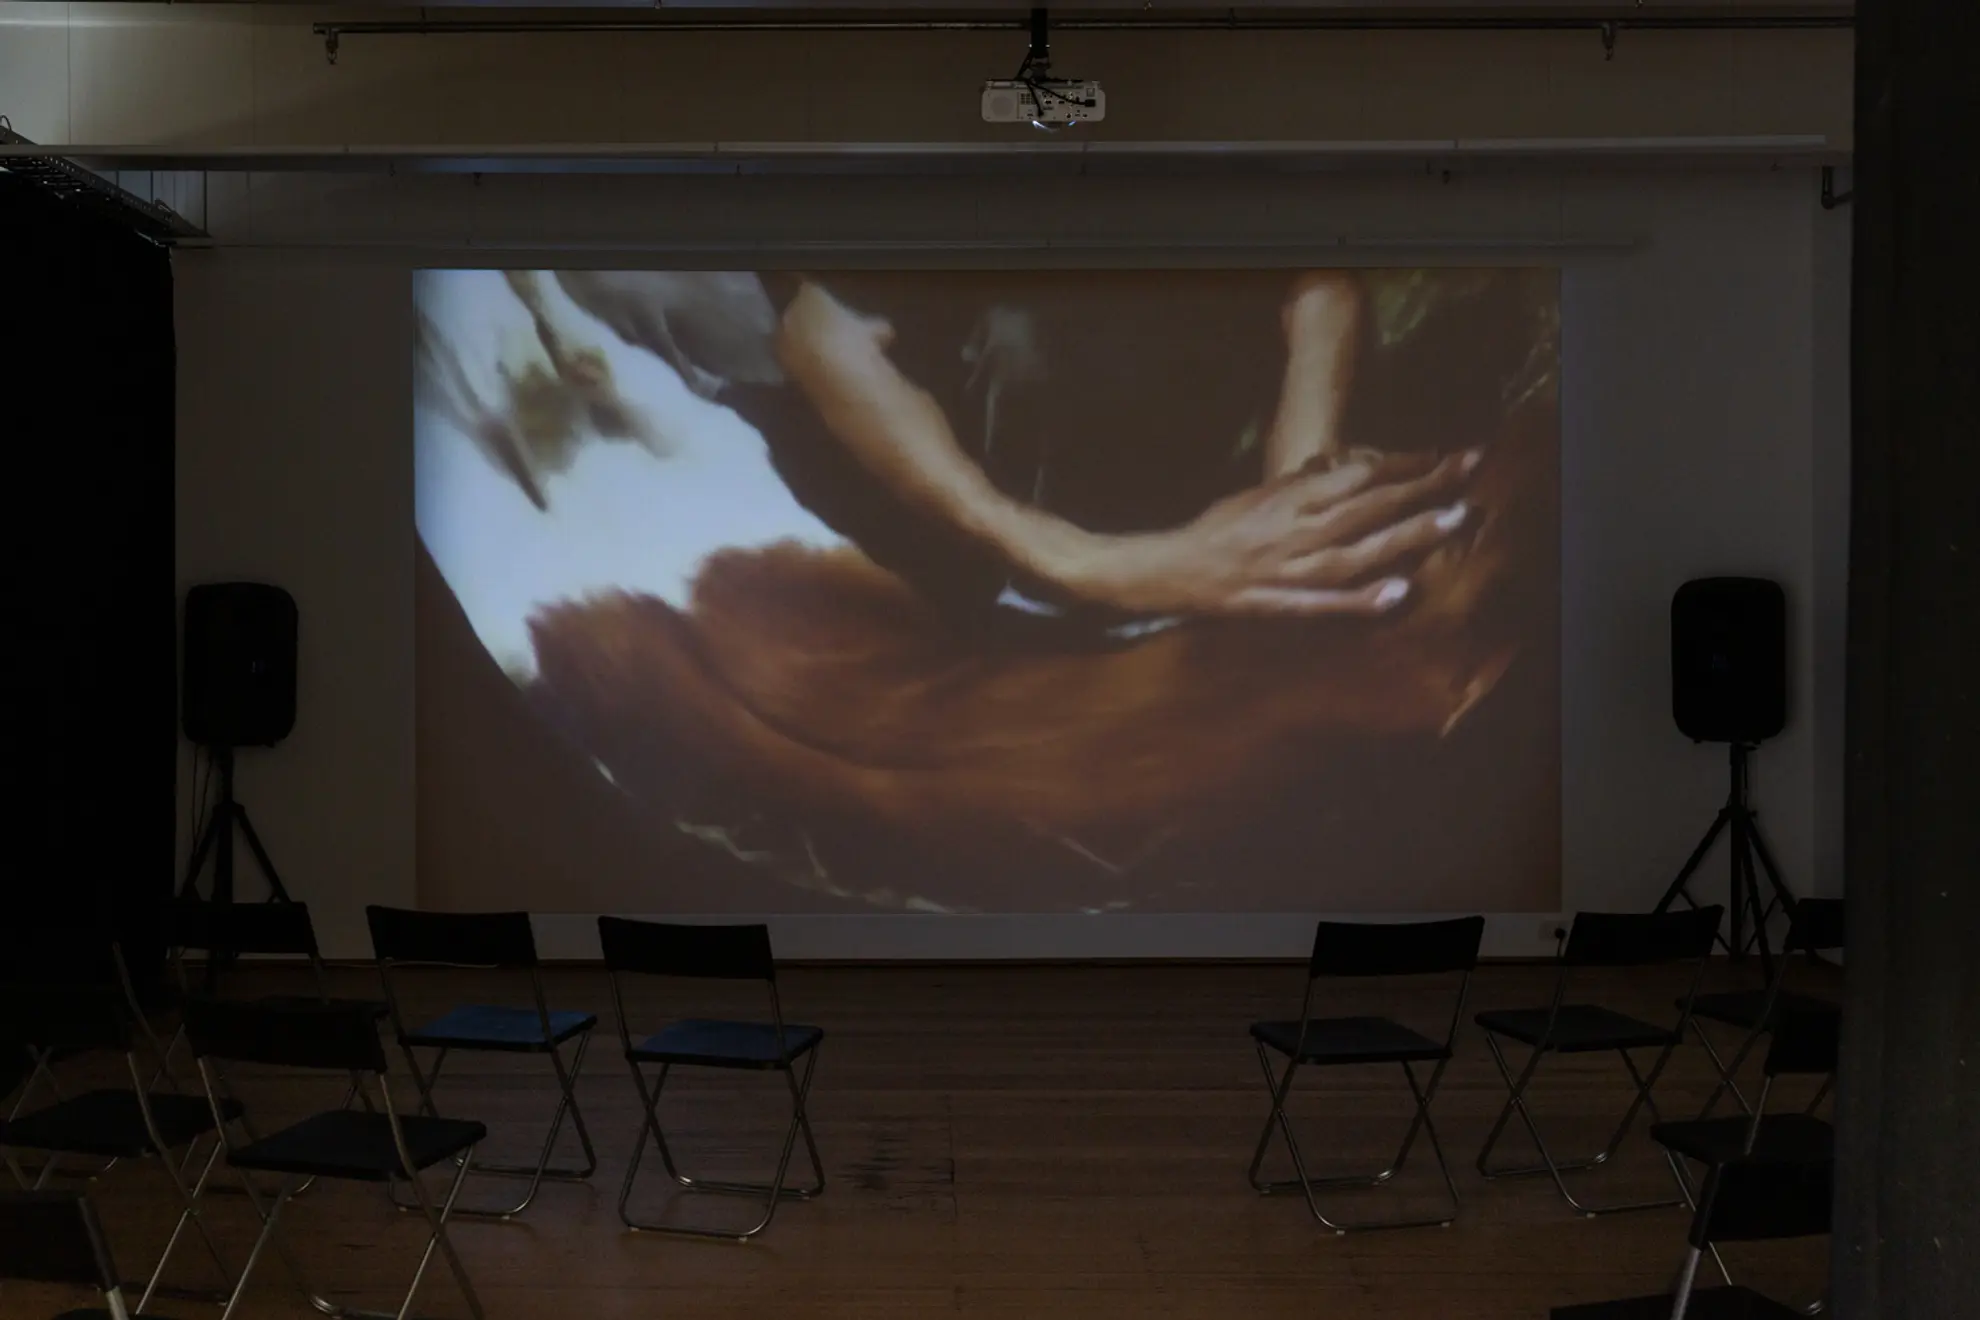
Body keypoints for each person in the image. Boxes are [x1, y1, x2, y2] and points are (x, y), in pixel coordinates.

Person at [415, 265, 1557, 911]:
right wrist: (1092, 561)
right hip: (866, 421)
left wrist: (1300, 512)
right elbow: (823, 335)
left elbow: (1319, 282)